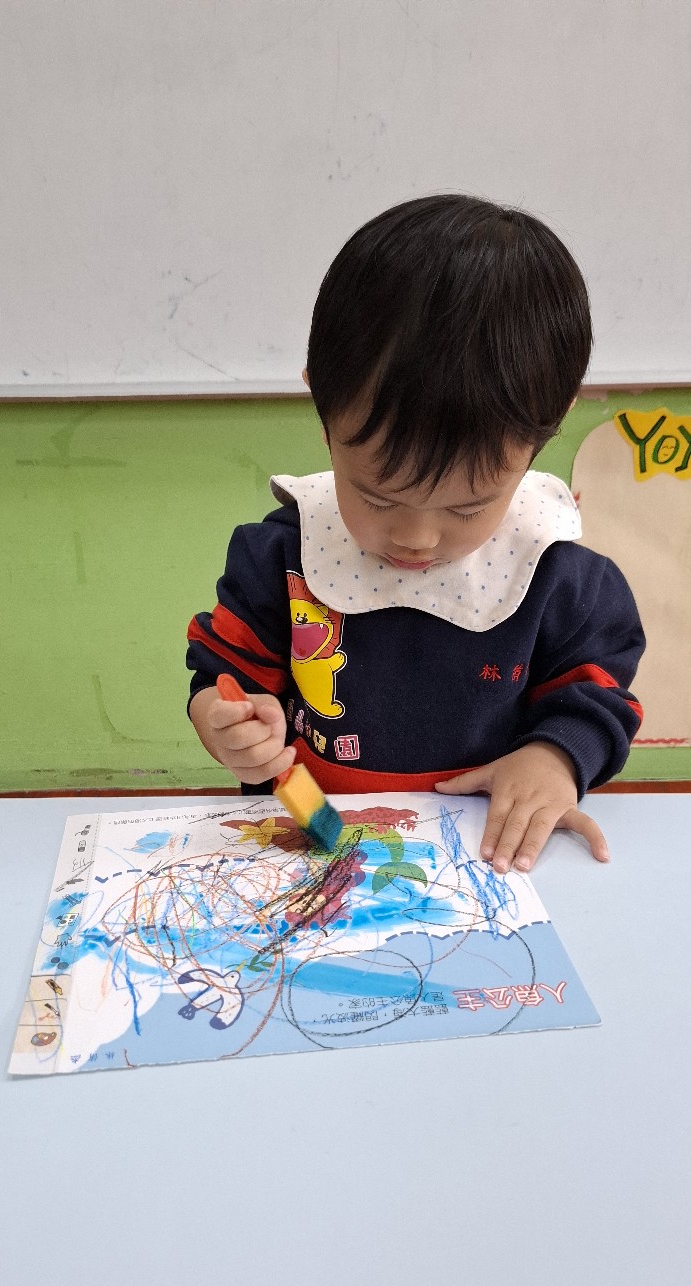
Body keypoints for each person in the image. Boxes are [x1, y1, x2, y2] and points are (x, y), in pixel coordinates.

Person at [187, 194, 645, 873]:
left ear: (545, 430)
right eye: (376, 496)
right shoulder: (282, 554)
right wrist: (221, 720)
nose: (417, 538)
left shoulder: (556, 575)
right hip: (307, 844)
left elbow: (597, 694)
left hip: (484, 855)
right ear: (324, 410)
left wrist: (553, 758)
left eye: (467, 508)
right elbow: (224, 676)